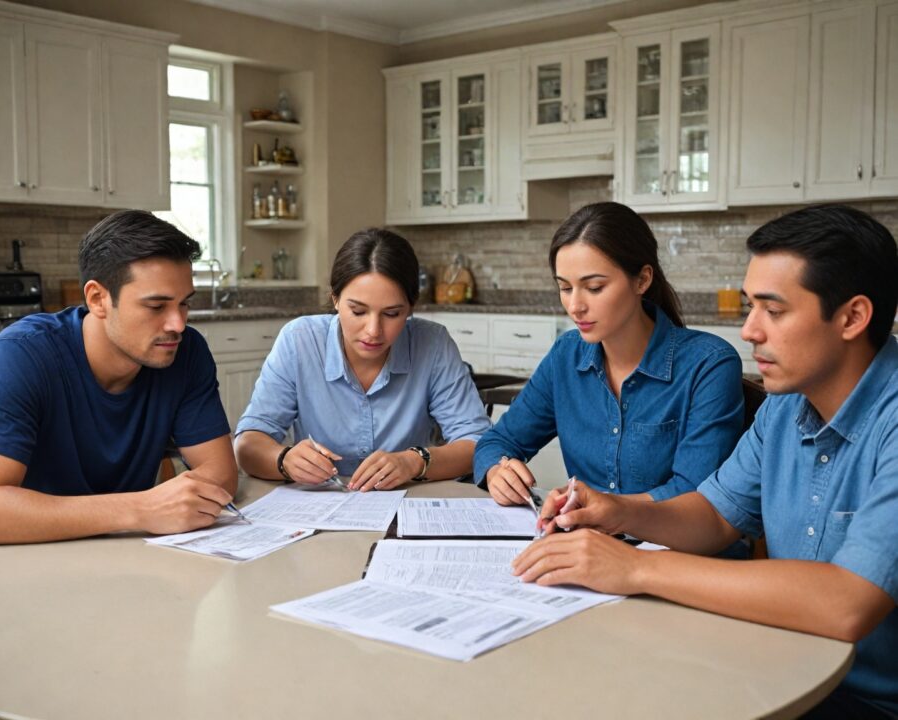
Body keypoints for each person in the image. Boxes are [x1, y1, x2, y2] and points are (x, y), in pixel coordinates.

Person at [514, 204, 898, 719]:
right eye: (749, 307)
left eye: (773, 311)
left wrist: (636, 567)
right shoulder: (786, 405)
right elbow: (716, 516)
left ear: (852, 317)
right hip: (779, 662)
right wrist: (618, 511)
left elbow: (847, 602)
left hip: (867, 700)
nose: (749, 331)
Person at [475, 202, 744, 507]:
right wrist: (497, 472)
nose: (575, 306)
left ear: (642, 280)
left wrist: (605, 511)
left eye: (594, 287)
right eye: (565, 288)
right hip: (583, 533)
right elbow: (498, 442)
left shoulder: (709, 365)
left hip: (666, 538)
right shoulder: (566, 356)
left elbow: (696, 494)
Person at [0, 210, 238, 544]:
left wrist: (153, 509)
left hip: (132, 552)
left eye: (184, 304)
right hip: (32, 557)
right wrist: (140, 509)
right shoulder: (20, 357)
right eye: (156, 306)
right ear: (98, 299)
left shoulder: (186, 352)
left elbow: (222, 474)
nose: (178, 324)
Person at [234, 228, 491, 491]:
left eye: (392, 314)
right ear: (335, 299)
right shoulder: (299, 340)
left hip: (407, 501)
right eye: (358, 311)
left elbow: (478, 443)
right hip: (321, 503)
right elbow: (248, 443)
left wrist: (414, 462)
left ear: (410, 308)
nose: (373, 331)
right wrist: (284, 460)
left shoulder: (433, 343)